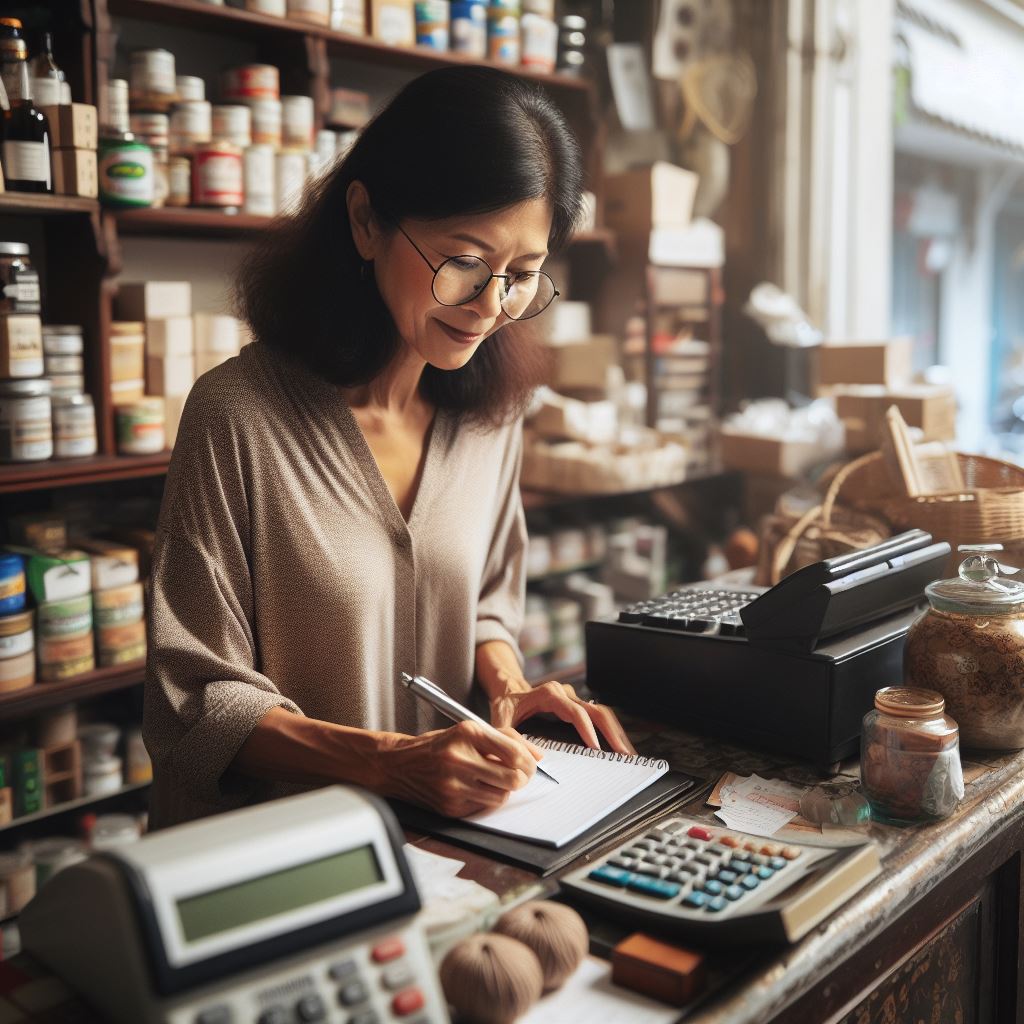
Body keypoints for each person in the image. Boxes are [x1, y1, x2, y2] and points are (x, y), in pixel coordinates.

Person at [143, 65, 636, 830]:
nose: (490, 306)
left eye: (522, 276)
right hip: (285, 863)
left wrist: (506, 685)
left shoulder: (490, 420)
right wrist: (386, 762)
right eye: (465, 263)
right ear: (366, 221)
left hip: (448, 853)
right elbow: (197, 700)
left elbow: (485, 605)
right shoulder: (238, 417)